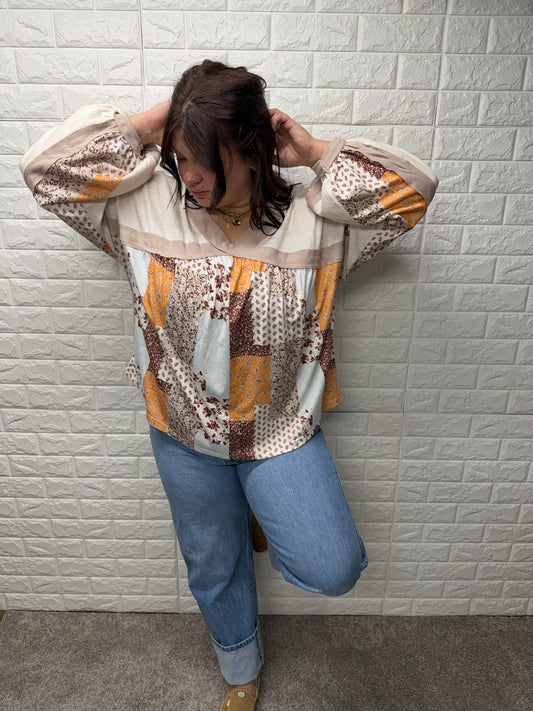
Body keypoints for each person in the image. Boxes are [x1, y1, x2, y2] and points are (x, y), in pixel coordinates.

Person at [20, 60, 438, 710]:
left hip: (279, 432)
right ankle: (241, 667)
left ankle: (254, 504)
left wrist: (313, 152)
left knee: (332, 567)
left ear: (249, 150)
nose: (187, 175)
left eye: (204, 159)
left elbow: (412, 193)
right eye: (179, 158)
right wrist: (165, 118)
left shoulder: (317, 221)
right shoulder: (141, 204)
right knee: (212, 564)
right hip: (182, 431)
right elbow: (45, 170)